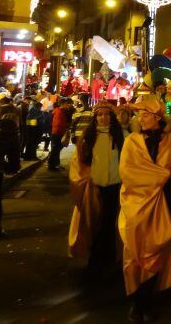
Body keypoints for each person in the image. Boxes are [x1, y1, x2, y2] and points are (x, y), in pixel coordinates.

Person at [119, 95, 171, 322]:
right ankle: (137, 301)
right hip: (136, 205)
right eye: (140, 115)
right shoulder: (132, 142)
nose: (141, 118)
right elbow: (129, 173)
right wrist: (163, 175)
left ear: (158, 118)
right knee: (134, 252)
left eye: (146, 114)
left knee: (158, 251)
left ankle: (147, 301)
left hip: (164, 204)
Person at [68, 101, 125, 271]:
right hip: (95, 187)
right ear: (95, 117)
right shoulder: (88, 137)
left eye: (107, 114)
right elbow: (79, 162)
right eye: (100, 115)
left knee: (109, 222)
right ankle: (95, 256)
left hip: (115, 185)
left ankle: (108, 255)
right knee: (94, 222)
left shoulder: (121, 135)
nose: (103, 118)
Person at [49, 98, 71, 171]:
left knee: (56, 149)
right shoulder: (59, 111)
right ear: (63, 104)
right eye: (67, 103)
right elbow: (58, 123)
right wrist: (66, 126)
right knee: (55, 149)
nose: (68, 105)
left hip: (57, 132)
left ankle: (56, 164)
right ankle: (51, 165)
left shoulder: (59, 111)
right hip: (57, 132)